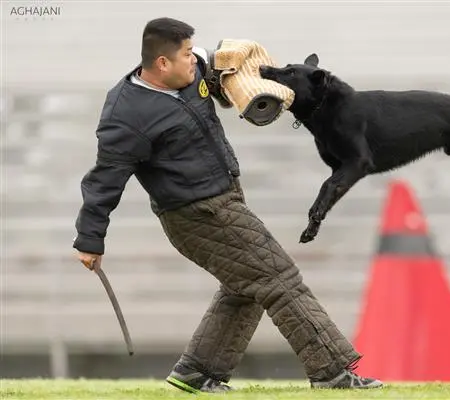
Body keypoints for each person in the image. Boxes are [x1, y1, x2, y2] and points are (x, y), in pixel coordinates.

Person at [73, 17, 383, 393]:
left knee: (247, 285)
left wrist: (243, 73)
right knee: (278, 278)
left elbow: (217, 65)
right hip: (197, 213)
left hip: (226, 198)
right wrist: (90, 239)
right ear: (162, 64)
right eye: (186, 54)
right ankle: (332, 373)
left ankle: (197, 372)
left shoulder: (191, 71)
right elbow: (104, 179)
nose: (194, 60)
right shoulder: (126, 115)